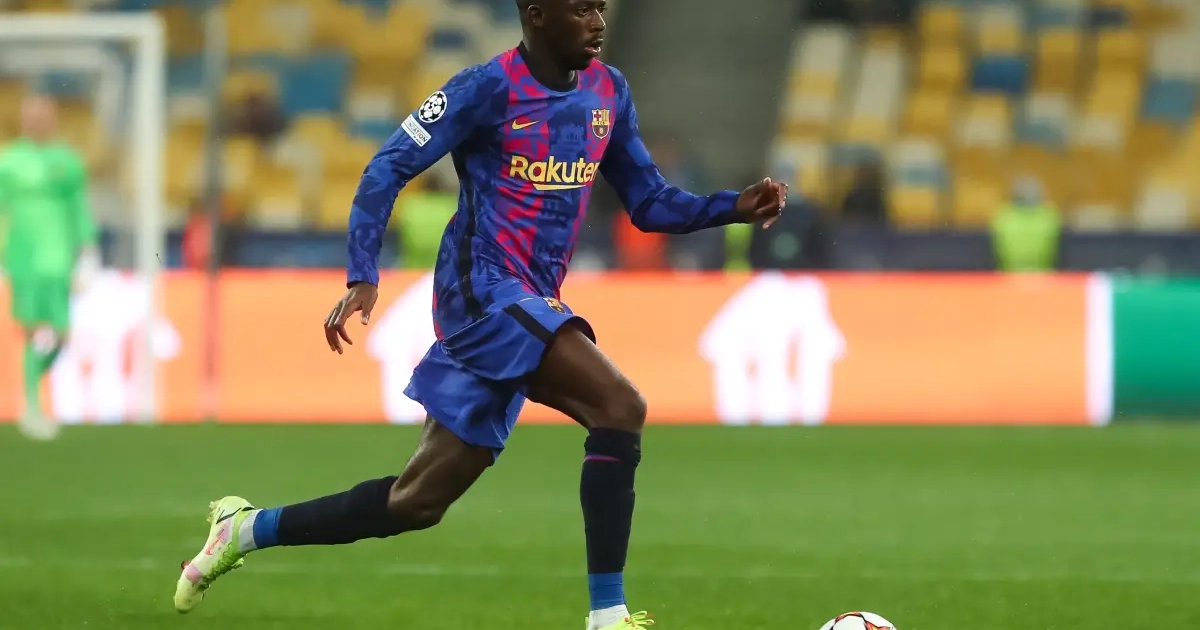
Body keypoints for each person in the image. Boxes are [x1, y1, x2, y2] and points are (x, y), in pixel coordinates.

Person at [173, 1, 788, 627]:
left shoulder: (609, 91)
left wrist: (732, 207)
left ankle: (245, 529)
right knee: (619, 406)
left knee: (415, 502)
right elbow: (388, 165)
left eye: (601, 7)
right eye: (581, 9)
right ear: (537, 15)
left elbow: (650, 202)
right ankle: (608, 616)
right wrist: (362, 272)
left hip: (529, 300)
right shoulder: (486, 88)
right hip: (482, 292)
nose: (598, 22)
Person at [0, 93, 98, 441]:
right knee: (31, 330)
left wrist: (88, 250)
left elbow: (79, 208)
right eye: (31, 116)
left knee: (61, 334)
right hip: (22, 257)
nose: (37, 121)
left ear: (53, 118)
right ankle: (32, 407)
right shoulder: (9, 161)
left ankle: (33, 385)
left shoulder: (67, 161)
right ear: (23, 120)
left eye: (43, 115)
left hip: (58, 258)